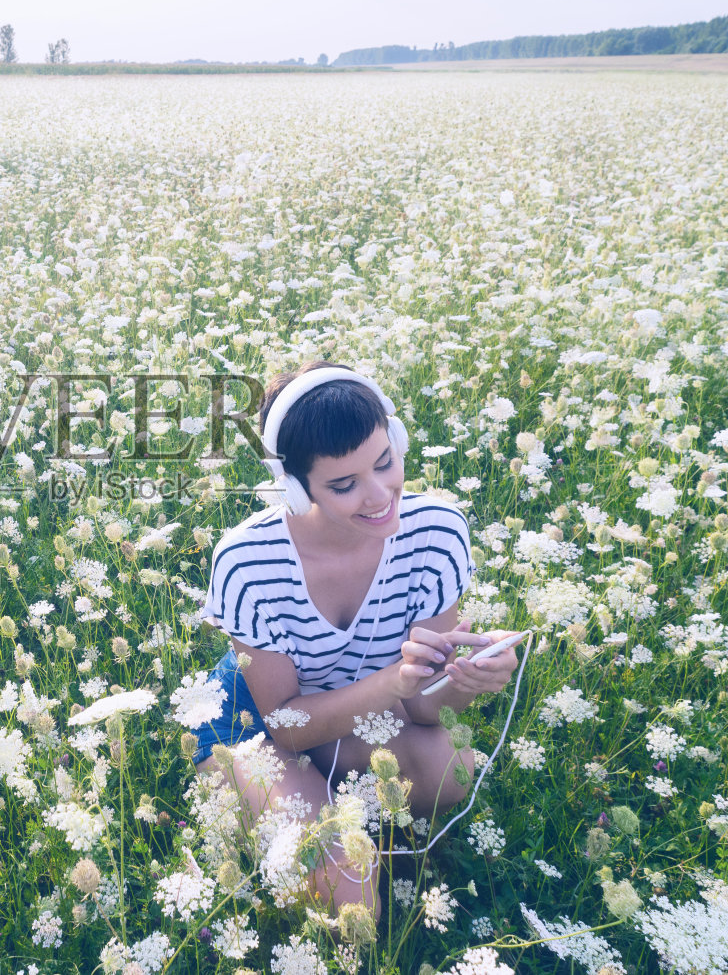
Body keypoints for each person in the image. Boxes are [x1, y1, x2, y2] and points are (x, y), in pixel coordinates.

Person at [191, 361, 521, 918]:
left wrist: (466, 683)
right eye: (344, 485)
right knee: (353, 903)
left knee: (451, 769)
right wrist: (393, 681)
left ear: (395, 441)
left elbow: (423, 709)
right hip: (257, 731)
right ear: (295, 489)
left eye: (385, 463)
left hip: (361, 719)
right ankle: (293, 798)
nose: (378, 496)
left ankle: (322, 793)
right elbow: (287, 728)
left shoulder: (436, 533)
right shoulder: (247, 561)